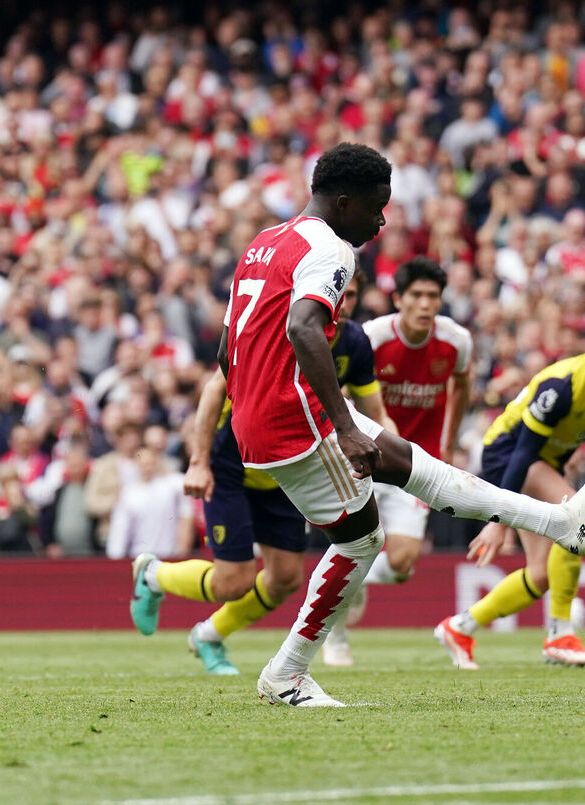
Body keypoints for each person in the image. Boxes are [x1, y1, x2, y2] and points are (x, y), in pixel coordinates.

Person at [129, 143, 585, 707]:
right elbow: (304, 328)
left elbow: (225, 345)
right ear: (343, 200)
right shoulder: (331, 251)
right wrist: (342, 424)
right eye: (376, 208)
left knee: (413, 466)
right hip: (293, 415)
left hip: (270, 410)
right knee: (362, 540)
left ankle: (561, 523)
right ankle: (287, 673)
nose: (381, 222)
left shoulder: (264, 243)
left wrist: (266, 395)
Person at [130, 268, 391, 676]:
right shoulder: (277, 325)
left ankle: (209, 636)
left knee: (285, 579)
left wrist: (398, 463)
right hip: (232, 465)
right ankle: (153, 574)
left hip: (287, 469)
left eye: (353, 295)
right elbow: (215, 388)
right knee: (233, 581)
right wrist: (198, 461)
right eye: (342, 291)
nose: (345, 300)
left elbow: (375, 412)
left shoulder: (354, 341)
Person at [434, 305, 585, 669]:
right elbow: (523, 453)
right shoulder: (560, 386)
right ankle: (560, 635)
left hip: (542, 462)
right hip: (508, 456)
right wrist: (499, 522)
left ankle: (460, 627)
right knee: (578, 521)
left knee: (543, 575)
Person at [323, 256, 472, 667]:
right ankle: (336, 639)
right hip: (365, 456)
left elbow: (461, 385)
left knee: (403, 563)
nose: (426, 304)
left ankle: (359, 582)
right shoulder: (370, 337)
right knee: (354, 544)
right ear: (399, 299)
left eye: (433, 297)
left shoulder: (456, 341)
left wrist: (451, 441)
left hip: (416, 459)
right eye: (417, 296)